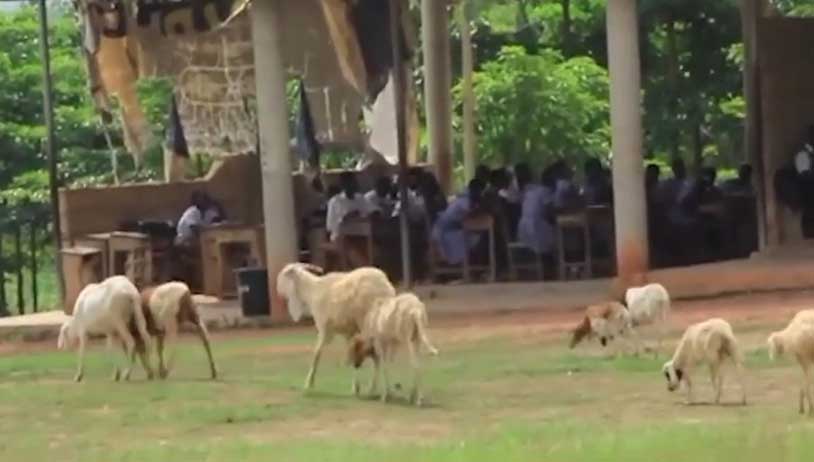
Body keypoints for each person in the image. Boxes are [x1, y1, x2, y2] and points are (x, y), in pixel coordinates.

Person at [431, 178, 485, 265]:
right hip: (445, 230)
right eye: (479, 191)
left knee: (476, 236)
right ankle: (471, 266)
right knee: (476, 238)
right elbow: (470, 215)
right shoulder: (464, 200)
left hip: (451, 228)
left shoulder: (466, 199)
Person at [325, 171, 379, 242]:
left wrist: (373, 213)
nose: (354, 184)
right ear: (343, 185)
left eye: (355, 181)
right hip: (341, 236)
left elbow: (374, 209)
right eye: (351, 182)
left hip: (361, 234)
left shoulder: (360, 198)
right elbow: (330, 225)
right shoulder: (335, 201)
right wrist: (344, 219)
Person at [517, 170, 556, 258]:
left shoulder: (529, 191)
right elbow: (550, 213)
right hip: (537, 229)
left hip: (523, 230)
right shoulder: (545, 191)